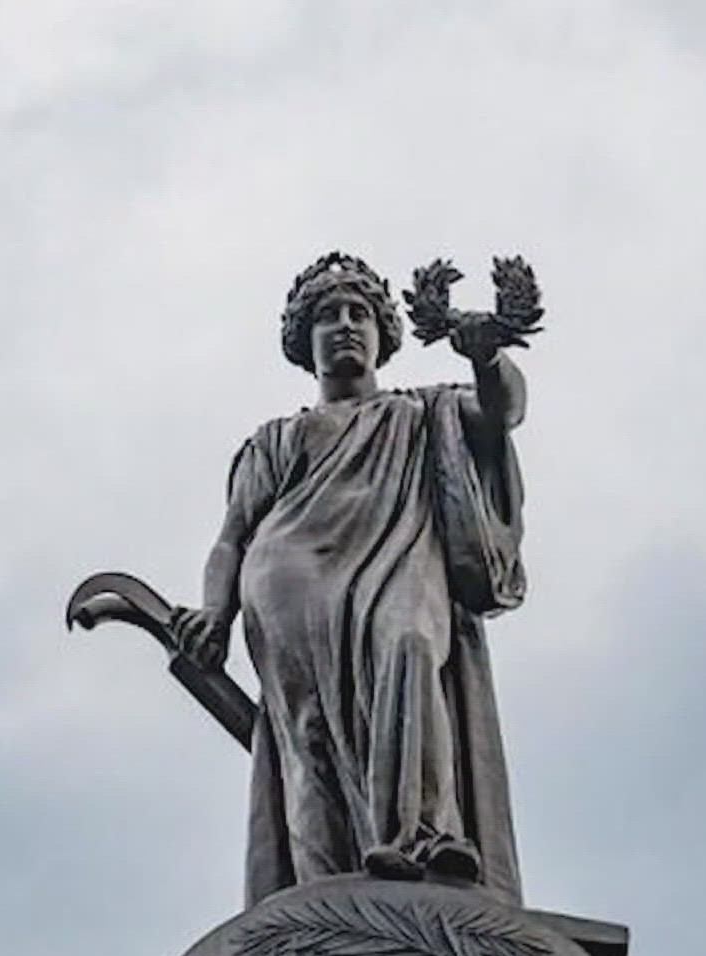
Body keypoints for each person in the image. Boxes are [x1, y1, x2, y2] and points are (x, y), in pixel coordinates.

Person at [172, 252, 532, 906]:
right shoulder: (276, 440)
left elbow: (501, 410)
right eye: (327, 316)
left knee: (412, 647)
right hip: (288, 586)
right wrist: (213, 614)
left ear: (382, 333)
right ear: (304, 342)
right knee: (308, 735)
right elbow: (231, 537)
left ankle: (424, 837)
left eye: (358, 313)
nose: (344, 325)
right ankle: (327, 888)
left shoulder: (423, 416)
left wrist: (485, 356)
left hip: (397, 564)